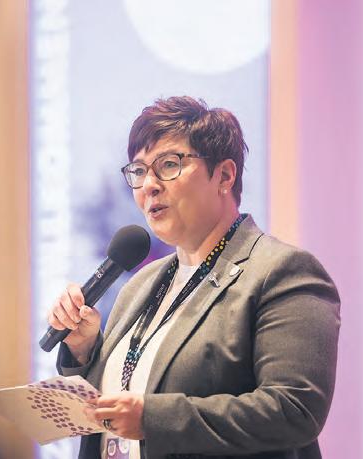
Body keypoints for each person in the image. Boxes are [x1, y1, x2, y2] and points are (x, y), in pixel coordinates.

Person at [48, 96, 340, 459]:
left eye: (168, 165)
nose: (149, 185)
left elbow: (294, 410)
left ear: (225, 175)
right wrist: (83, 349)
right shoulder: (140, 285)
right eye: (138, 171)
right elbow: (113, 408)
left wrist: (152, 419)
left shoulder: (281, 272)